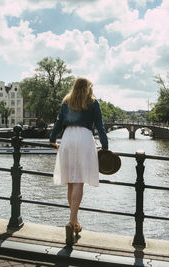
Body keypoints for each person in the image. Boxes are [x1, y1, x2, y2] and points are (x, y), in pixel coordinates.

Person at [49, 77, 108, 245]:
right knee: (79, 182)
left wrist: (52, 139)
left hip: (67, 138)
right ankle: (71, 221)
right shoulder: (93, 102)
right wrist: (105, 146)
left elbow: (59, 122)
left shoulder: (67, 101)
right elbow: (100, 125)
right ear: (87, 88)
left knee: (70, 181)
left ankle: (74, 222)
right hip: (84, 139)